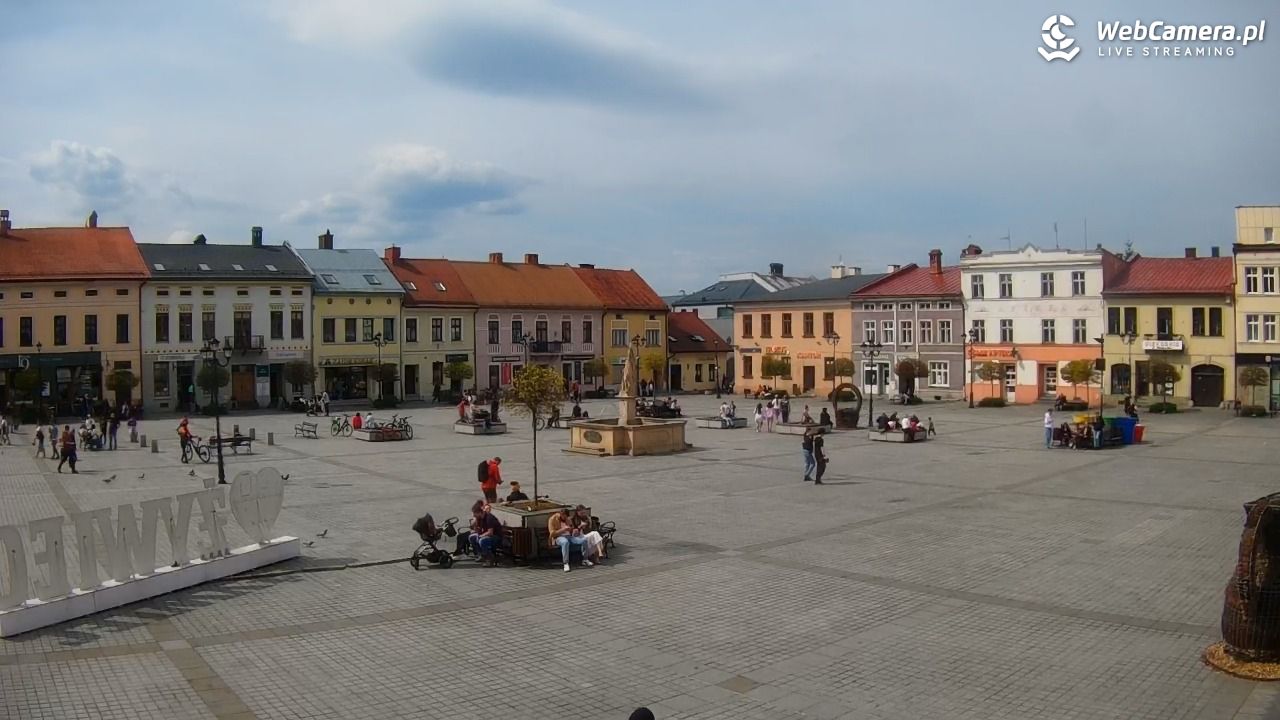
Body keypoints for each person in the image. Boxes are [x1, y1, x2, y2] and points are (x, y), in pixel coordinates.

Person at [548, 507, 591, 572]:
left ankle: (585, 559)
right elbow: (552, 533)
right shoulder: (552, 519)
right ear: (561, 514)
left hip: (569, 536)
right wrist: (563, 530)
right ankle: (565, 563)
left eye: (566, 517)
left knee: (584, 540)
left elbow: (572, 527)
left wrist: (572, 529)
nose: (565, 519)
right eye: (564, 517)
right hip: (558, 537)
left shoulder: (567, 519)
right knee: (565, 542)